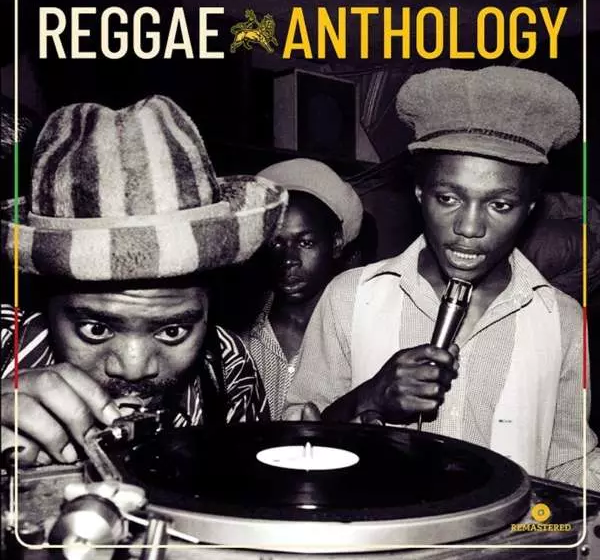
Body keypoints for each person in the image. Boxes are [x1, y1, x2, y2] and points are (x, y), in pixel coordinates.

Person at [285, 66, 600, 488]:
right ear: (420, 193)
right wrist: (369, 396)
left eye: (500, 205)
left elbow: (569, 466)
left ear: (529, 209)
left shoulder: (562, 320)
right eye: (448, 198)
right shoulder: (350, 297)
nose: (469, 227)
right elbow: (296, 446)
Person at [0, 95, 287, 466]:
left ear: (209, 307)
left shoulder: (229, 369)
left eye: (173, 332)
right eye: (94, 329)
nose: (134, 367)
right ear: (45, 300)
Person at [239, 159, 363, 420]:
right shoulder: (238, 336)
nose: (289, 260)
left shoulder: (360, 333)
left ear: (336, 244)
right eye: (275, 244)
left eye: (305, 243)